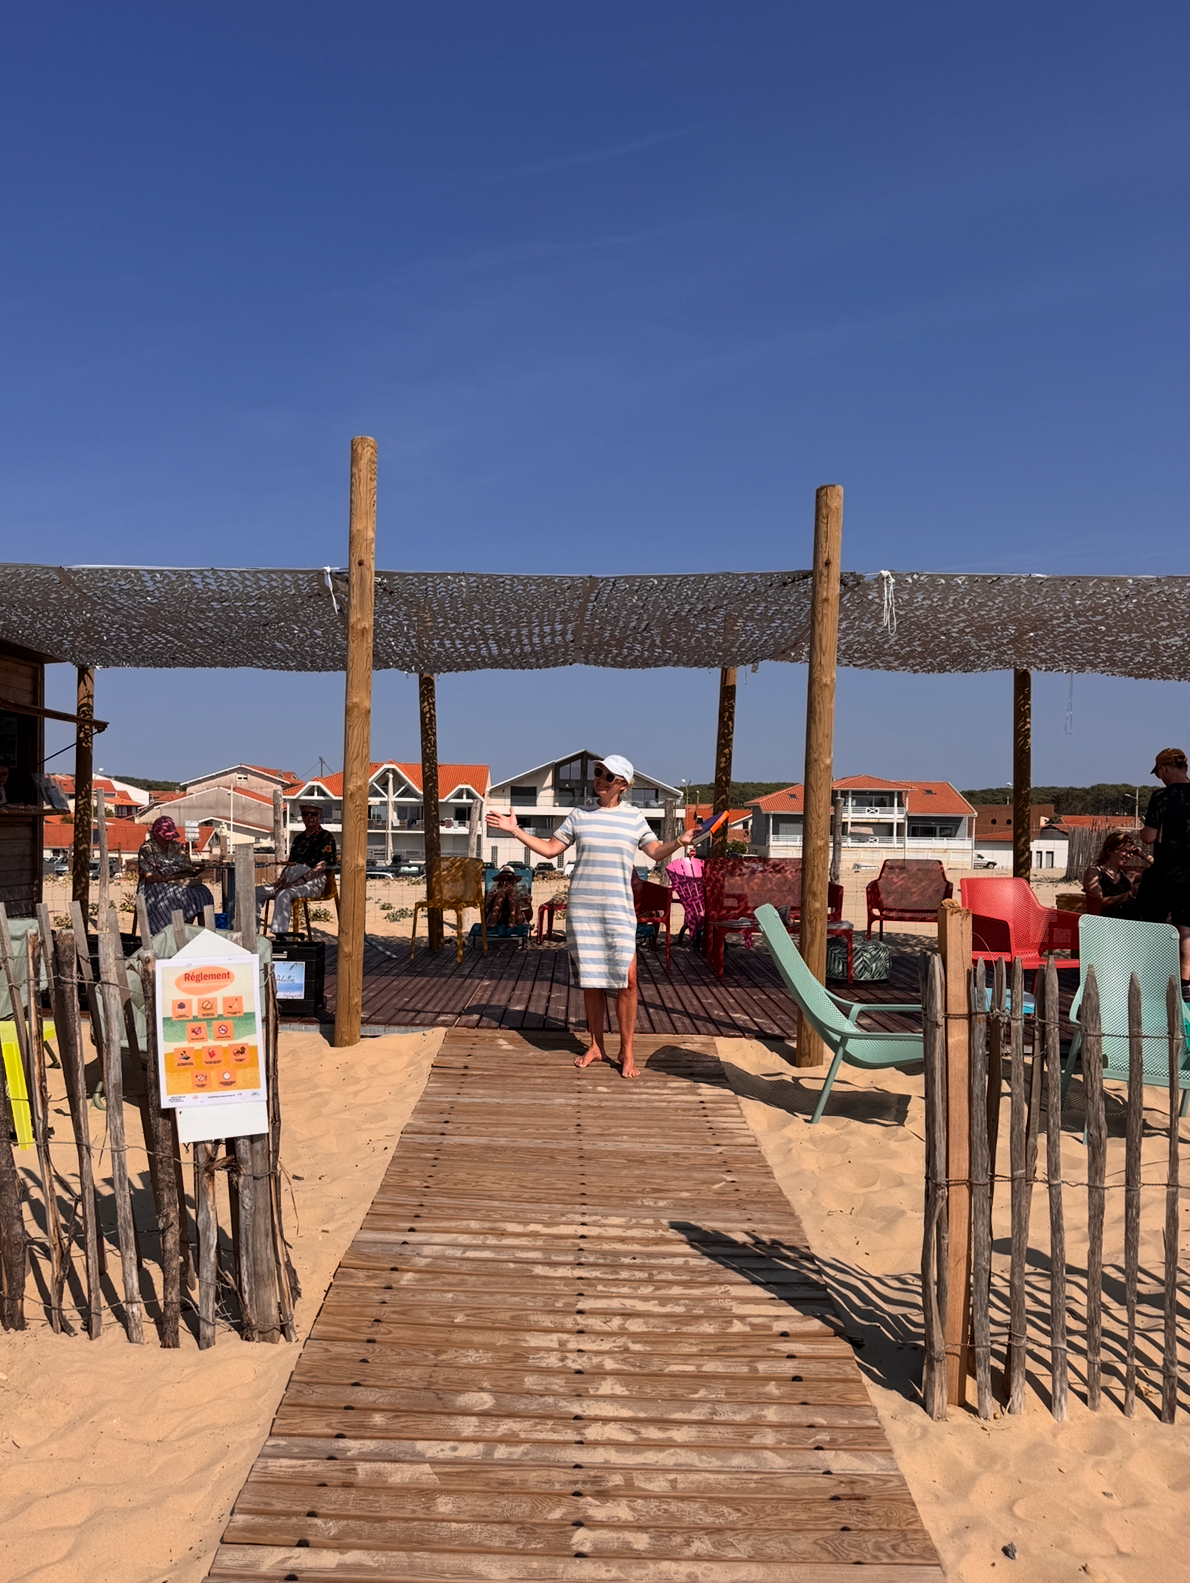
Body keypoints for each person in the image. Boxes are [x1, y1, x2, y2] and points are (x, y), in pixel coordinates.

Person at [486, 755, 697, 1078]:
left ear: (623, 785)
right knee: (592, 981)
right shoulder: (579, 815)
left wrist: (679, 842)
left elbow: (654, 852)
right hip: (584, 910)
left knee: (628, 980)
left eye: (608, 775)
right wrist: (515, 830)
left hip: (619, 909)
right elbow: (550, 849)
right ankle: (597, 1046)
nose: (599, 778)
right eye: (598, 772)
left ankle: (627, 1051)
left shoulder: (634, 817)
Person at [1134, 747, 1190, 998]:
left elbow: (1149, 836)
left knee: (1149, 925)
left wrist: (1142, 832)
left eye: (1158, 774)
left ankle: (1146, 979)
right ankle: (1186, 985)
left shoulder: (1163, 797)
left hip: (1168, 872)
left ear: (1164, 769)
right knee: (1186, 929)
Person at [257, 803, 337, 939]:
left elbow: (321, 866)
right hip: (291, 878)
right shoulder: (298, 839)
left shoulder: (326, 837)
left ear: (320, 816)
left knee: (284, 894)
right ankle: (252, 933)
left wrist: (298, 882)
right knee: (256, 892)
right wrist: (282, 879)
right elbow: (290, 863)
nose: (309, 817)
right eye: (305, 814)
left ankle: (280, 936)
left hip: (312, 881)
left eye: (313, 814)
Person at [137, 815, 215, 934]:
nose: (168, 840)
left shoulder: (177, 847)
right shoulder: (147, 849)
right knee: (177, 895)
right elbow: (150, 878)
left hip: (181, 880)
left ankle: (205, 934)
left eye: (170, 837)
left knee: (203, 892)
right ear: (155, 834)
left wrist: (190, 872)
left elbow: (187, 866)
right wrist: (172, 877)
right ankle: (176, 932)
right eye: (165, 837)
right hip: (158, 883)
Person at [1081, 830, 1146, 916]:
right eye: (1124, 851)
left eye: (1130, 853)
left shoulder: (1128, 875)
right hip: (1103, 921)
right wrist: (1129, 894)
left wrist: (1143, 855)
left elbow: (1159, 874)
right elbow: (1099, 903)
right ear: (1109, 851)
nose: (1128, 856)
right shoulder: (1094, 872)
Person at [484, 866, 531, 932]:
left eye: (509, 879)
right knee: (502, 892)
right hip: (499, 919)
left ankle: (512, 918)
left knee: (510, 891)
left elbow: (529, 917)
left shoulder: (520, 891)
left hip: (517, 919)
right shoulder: (494, 890)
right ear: (499, 881)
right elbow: (485, 914)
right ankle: (494, 918)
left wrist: (529, 904)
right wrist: (490, 899)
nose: (506, 883)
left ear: (513, 880)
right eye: (503, 880)